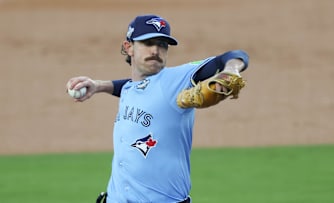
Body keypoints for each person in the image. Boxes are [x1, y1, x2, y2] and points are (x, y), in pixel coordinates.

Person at [66, 14, 249, 203]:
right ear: (129, 48)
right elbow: (133, 87)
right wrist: (99, 85)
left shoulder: (176, 80)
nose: (155, 50)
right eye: (148, 42)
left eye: (162, 44)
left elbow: (234, 56)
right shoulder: (131, 88)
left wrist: (231, 70)